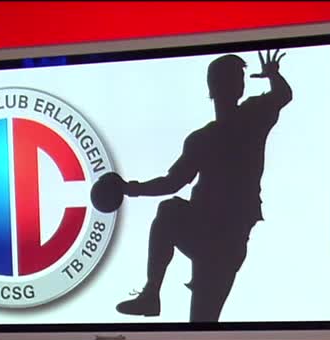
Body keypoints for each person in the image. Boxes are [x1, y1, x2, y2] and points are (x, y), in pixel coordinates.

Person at [109, 50, 291, 322]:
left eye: (236, 80)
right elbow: (172, 183)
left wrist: (131, 188)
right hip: (207, 232)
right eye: (231, 80)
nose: (234, 86)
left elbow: (283, 95)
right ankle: (151, 294)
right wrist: (130, 188)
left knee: (202, 323)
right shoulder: (208, 136)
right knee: (169, 211)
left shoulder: (250, 116)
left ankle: (151, 295)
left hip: (226, 240)